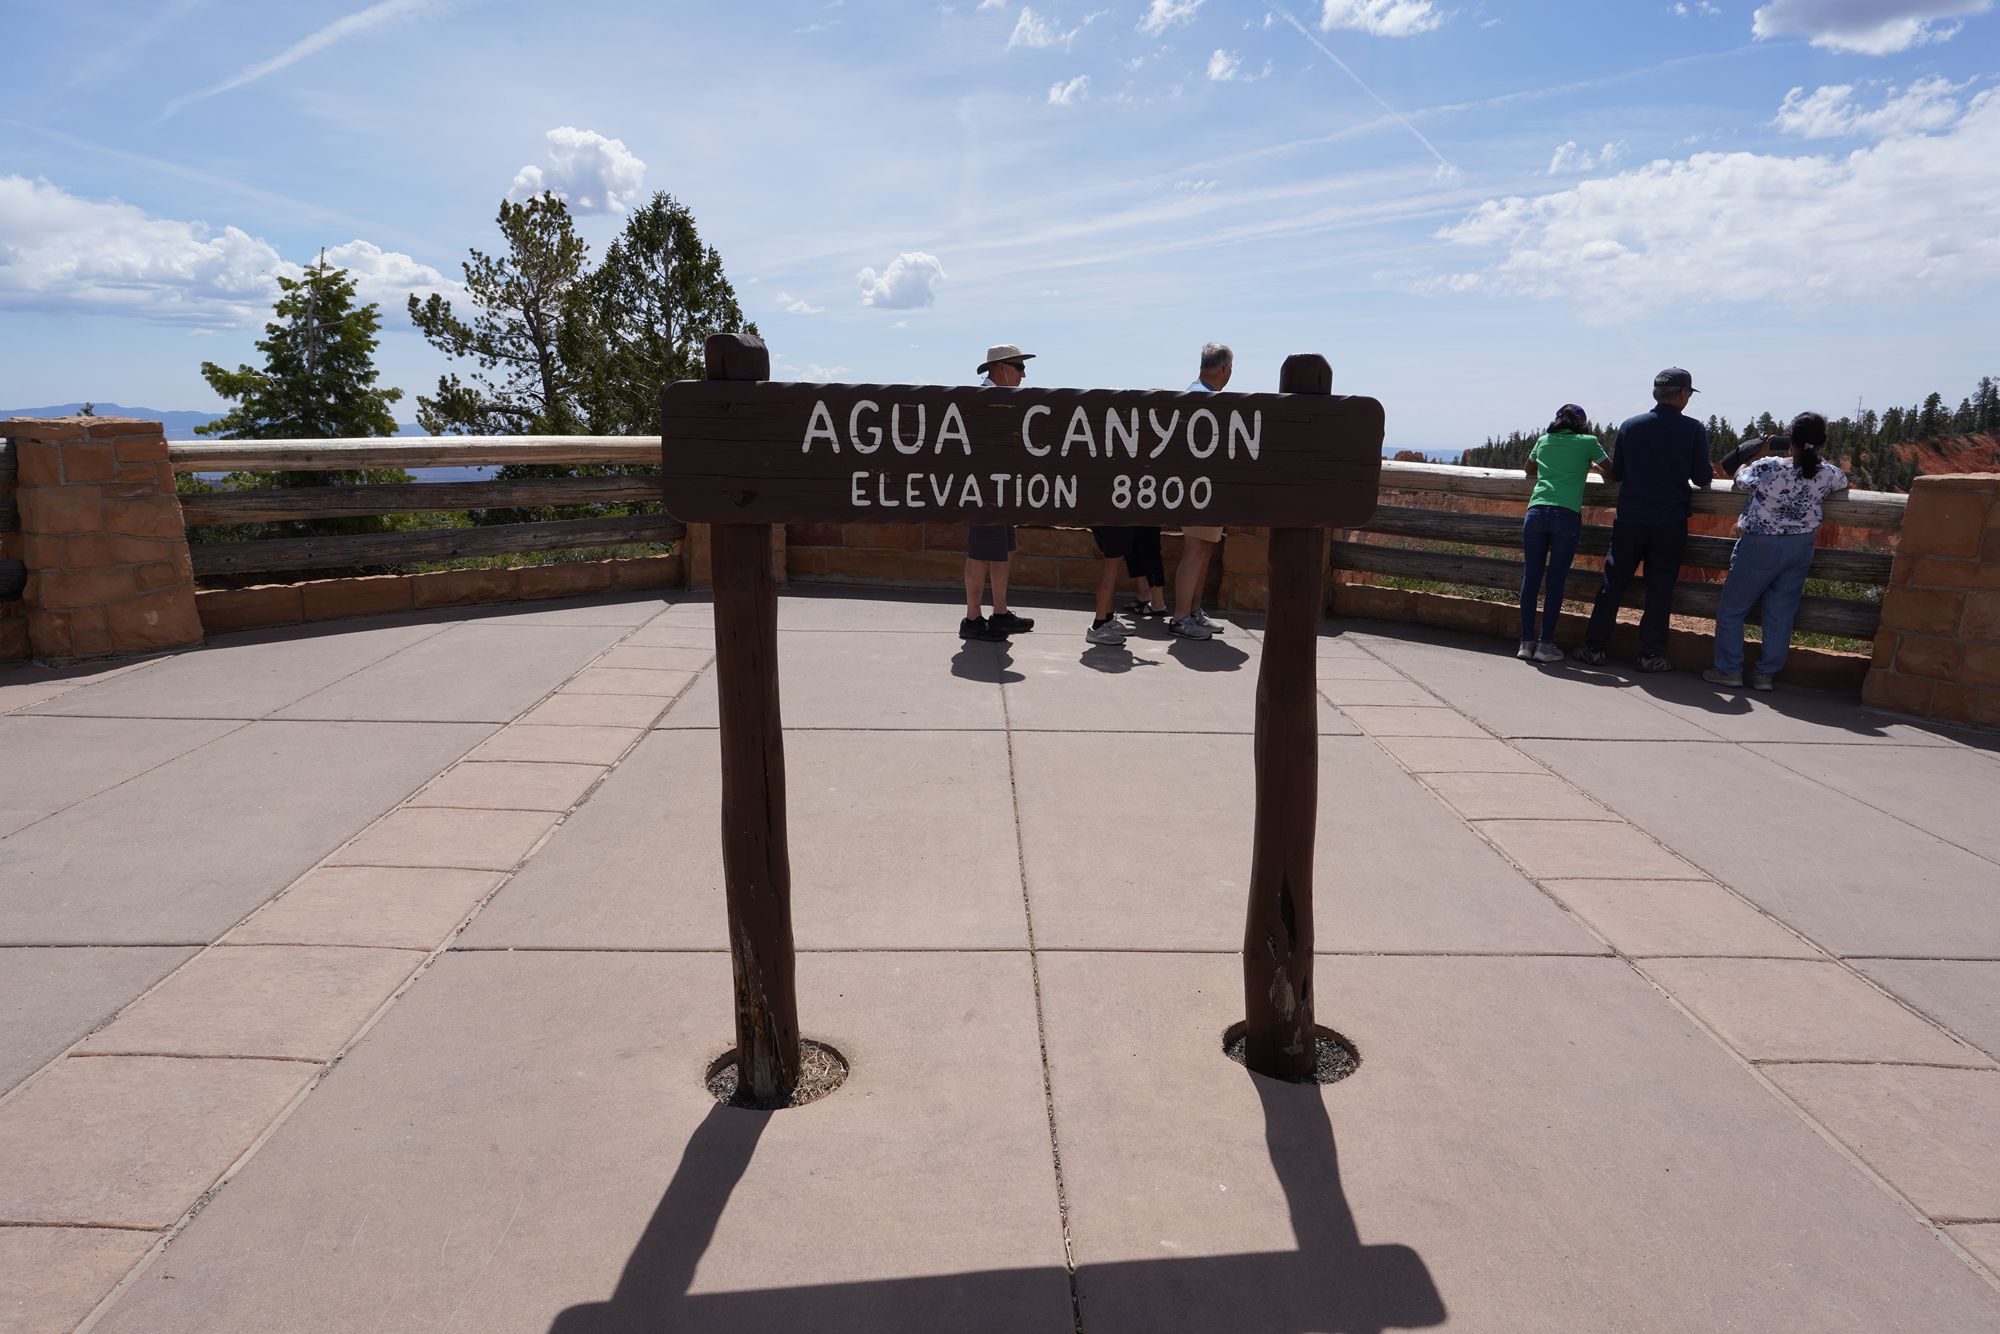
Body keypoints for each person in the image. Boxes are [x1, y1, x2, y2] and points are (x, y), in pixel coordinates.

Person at [1574, 368, 1713, 672]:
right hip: (1669, 522)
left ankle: (1594, 649)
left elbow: (1618, 473)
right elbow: (1702, 477)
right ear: (1682, 393)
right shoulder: (1693, 429)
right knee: (1660, 588)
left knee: (1613, 583)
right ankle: (1650, 655)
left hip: (1630, 519)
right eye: (1689, 393)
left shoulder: (1631, 426)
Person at [1702, 412, 1849, 691]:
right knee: (1780, 614)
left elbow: (1739, 479)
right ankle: (1764, 676)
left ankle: (1729, 670)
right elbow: (1842, 482)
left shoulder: (1768, 466)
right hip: (1800, 546)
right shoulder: (1829, 473)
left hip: (1761, 543)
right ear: (1820, 441)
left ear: (1790, 437)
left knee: (1733, 609)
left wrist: (1757, 454)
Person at [1518, 404, 1608, 663]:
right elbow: (1613, 471)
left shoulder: (1543, 440)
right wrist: (1591, 466)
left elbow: (1528, 469)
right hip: (1566, 516)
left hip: (1536, 512)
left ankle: (1526, 643)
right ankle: (1545, 646)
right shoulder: (1588, 442)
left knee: (1531, 578)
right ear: (1581, 424)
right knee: (1555, 581)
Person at [961, 344, 1038, 642]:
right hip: (985, 489)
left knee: (1003, 549)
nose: (1023, 375)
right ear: (1002, 368)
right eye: (1019, 368)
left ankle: (1000, 612)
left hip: (1000, 488)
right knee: (981, 552)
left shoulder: (1001, 400)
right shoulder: (984, 399)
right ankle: (972, 618)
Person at [1167, 342, 1233, 641]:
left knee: (1203, 549)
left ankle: (1193, 611)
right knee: (1195, 550)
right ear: (1225, 368)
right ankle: (1180, 617)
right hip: (1197, 488)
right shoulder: (1202, 397)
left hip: (1204, 488)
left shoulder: (1197, 393)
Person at [1086, 526, 1134, 645]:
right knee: (1112, 563)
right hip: (1114, 521)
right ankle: (1098, 626)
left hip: (1111, 519)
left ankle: (1107, 620)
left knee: (1112, 563)